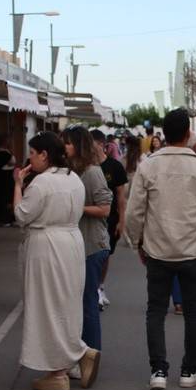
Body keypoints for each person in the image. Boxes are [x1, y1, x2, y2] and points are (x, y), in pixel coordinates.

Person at [126, 109, 196, 390]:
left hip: (157, 250)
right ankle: (189, 370)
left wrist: (136, 242)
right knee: (193, 311)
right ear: (187, 134)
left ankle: (158, 370)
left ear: (163, 135)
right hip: (192, 250)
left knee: (155, 310)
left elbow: (135, 213)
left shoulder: (148, 167)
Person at [13, 132, 101, 390]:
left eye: (32, 152)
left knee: (46, 305)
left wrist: (18, 185)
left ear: (44, 154)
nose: (29, 157)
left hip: (46, 245)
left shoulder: (41, 183)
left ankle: (72, 358)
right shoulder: (73, 178)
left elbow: (21, 215)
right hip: (72, 242)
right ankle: (61, 367)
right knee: (65, 304)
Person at [62, 127, 112, 357]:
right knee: (79, 303)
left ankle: (91, 354)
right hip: (78, 246)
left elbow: (105, 208)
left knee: (87, 303)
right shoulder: (71, 171)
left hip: (92, 246)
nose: (65, 147)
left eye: (69, 143)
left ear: (79, 146)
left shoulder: (92, 172)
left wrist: (76, 208)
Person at [91, 129, 127, 309]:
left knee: (105, 255)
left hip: (110, 219)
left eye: (93, 144)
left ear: (101, 145)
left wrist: (122, 220)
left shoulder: (115, 167)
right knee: (91, 254)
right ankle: (93, 288)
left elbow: (121, 196)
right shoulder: (85, 167)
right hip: (90, 219)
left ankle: (100, 286)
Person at [0, 133, 17, 226]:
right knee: (5, 199)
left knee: (5, 199)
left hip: (2, 179)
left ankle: (5, 218)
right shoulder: (2, 153)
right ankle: (5, 219)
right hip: (5, 180)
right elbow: (12, 161)